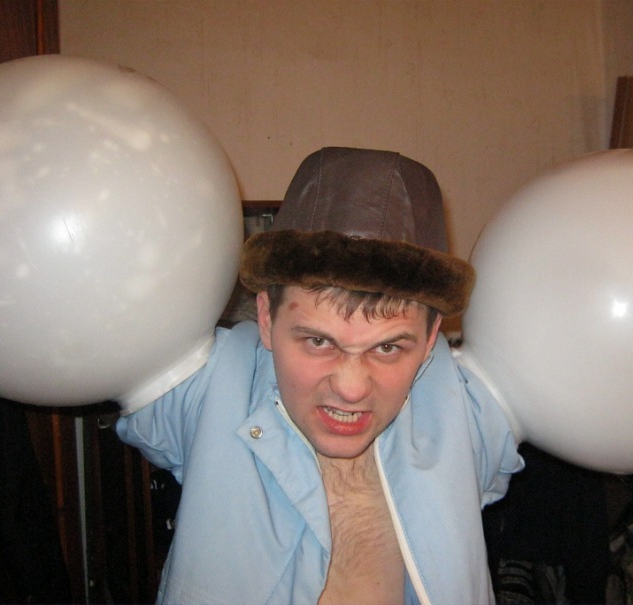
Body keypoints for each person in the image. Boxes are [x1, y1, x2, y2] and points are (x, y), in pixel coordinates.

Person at [116, 147, 523, 604]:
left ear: (431, 339)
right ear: (266, 318)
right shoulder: (205, 390)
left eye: (388, 347)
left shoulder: (465, 415)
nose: (350, 389)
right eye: (318, 341)